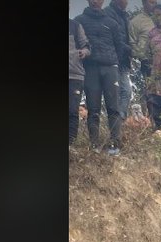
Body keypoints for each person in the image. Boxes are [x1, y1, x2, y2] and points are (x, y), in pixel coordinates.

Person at [75, 0, 127, 155]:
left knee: (113, 108)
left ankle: (115, 144)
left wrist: (114, 62)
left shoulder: (111, 23)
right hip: (90, 68)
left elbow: (119, 46)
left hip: (110, 68)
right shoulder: (79, 21)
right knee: (93, 108)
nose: (95, 1)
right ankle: (94, 146)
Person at [103, 0, 134, 120]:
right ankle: (118, 121)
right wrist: (130, 49)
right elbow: (115, 38)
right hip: (113, 59)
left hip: (124, 59)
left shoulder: (125, 15)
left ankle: (119, 121)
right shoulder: (108, 13)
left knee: (124, 92)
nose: (127, 2)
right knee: (124, 91)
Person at [129, 0, 157, 115]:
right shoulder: (136, 21)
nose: (154, 4)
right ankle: (152, 122)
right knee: (150, 93)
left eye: (155, 2)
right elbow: (132, 43)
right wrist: (141, 56)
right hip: (147, 62)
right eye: (151, 2)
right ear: (144, 3)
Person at [69, 10, 91, 146]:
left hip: (75, 74)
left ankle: (70, 144)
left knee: (72, 110)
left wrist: (84, 52)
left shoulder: (75, 25)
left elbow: (87, 46)